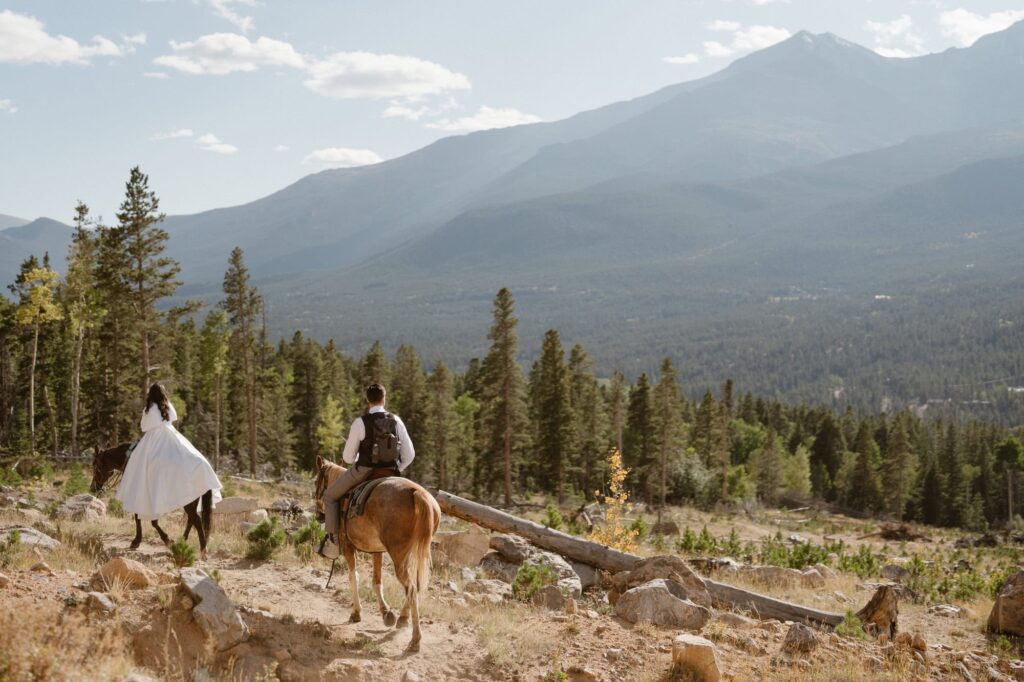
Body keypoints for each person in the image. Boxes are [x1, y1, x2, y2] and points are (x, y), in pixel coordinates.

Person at [319, 383, 415, 559]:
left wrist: (359, 461)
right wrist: (395, 469)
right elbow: (409, 455)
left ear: (367, 400)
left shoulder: (360, 423)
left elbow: (348, 458)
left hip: (364, 471)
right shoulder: (397, 421)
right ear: (384, 398)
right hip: (391, 472)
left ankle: (333, 544)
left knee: (330, 496)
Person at [116, 383, 223, 521]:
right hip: (170, 434)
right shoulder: (167, 405)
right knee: (187, 451)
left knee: (138, 464)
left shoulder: (148, 409)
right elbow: (173, 418)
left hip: (153, 438)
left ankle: (147, 500)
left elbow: (144, 427)